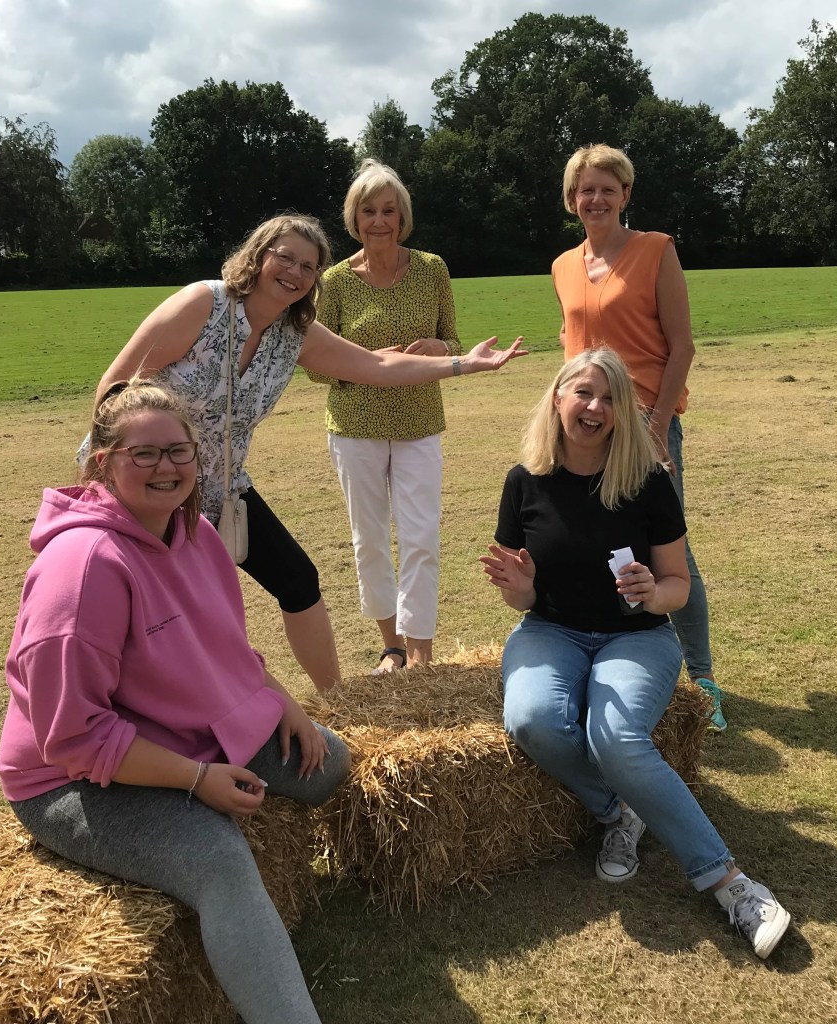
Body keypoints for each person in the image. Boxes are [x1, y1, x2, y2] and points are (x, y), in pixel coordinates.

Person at [0, 379, 352, 1023]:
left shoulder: (196, 532)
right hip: (71, 776)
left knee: (328, 762)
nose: (166, 467)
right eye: (144, 453)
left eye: (178, 450)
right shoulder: (82, 568)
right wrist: (196, 780)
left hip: (186, 728)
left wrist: (285, 705)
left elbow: (226, 651)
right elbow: (74, 737)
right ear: (103, 462)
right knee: (219, 861)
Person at [92, 214, 525, 692]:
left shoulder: (293, 333)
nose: (295, 273)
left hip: (221, 489)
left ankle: (336, 699)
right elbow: (114, 388)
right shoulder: (205, 303)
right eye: (286, 258)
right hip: (145, 485)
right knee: (165, 607)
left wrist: (463, 364)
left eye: (309, 266)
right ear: (259, 256)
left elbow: (376, 366)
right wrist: (112, 475)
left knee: (297, 579)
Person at [479, 350, 790, 959]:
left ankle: (731, 885)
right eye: (583, 393)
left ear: (623, 412)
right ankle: (619, 810)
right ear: (557, 398)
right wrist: (521, 590)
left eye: (610, 398)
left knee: (616, 737)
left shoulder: (647, 483)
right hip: (551, 628)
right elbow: (521, 591)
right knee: (530, 718)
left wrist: (653, 592)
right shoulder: (524, 480)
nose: (595, 407)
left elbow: (680, 586)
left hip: (637, 636)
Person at [552, 144, 725, 730]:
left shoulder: (656, 250)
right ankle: (604, 660)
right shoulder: (562, 266)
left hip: (647, 421)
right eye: (586, 190)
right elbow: (572, 346)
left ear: (626, 194)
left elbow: (682, 346)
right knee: (591, 538)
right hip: (584, 422)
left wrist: (655, 425)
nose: (596, 199)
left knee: (670, 548)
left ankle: (702, 680)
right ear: (572, 199)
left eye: (608, 188)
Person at [311, 160, 457, 673]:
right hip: (356, 428)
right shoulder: (334, 281)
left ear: (402, 216)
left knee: (422, 537)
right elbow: (315, 363)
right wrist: (368, 365)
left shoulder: (432, 269)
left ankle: (421, 652)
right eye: (368, 211)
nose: (379, 221)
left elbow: (453, 340)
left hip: (420, 424)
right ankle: (391, 646)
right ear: (355, 218)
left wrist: (441, 347)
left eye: (389, 211)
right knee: (369, 540)